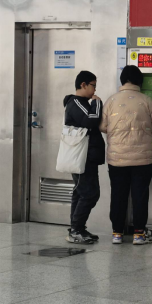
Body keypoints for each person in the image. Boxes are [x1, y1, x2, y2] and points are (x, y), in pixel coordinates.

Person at [100, 66, 152, 246]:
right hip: (142, 159)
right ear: (139, 81)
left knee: (118, 194)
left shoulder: (111, 100)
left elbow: (102, 126)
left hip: (117, 158)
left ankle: (117, 233)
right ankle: (138, 234)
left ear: (122, 80)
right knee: (140, 195)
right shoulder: (146, 100)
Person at [64, 71, 105, 245]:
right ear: (83, 85)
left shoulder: (80, 103)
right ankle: (76, 230)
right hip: (82, 156)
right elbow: (91, 121)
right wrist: (97, 102)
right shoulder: (76, 102)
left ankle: (77, 228)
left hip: (86, 156)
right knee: (89, 194)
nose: (95, 89)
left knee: (81, 192)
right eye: (93, 85)